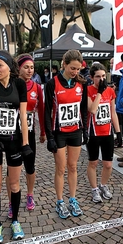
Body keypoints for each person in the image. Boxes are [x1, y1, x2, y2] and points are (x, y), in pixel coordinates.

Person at [0, 50, 32, 243]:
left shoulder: (19, 84)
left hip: (14, 141)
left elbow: (23, 116)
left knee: (15, 184)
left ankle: (15, 221)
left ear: (9, 66)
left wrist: (25, 143)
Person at [44, 49, 88, 219]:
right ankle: (60, 201)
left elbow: (83, 108)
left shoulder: (81, 84)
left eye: (78, 69)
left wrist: (84, 130)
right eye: (73, 68)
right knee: (61, 168)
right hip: (59, 132)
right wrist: (50, 137)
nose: (75, 72)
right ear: (64, 64)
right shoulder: (52, 84)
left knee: (73, 166)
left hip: (75, 130)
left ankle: (73, 199)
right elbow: (47, 111)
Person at [5, 54, 45, 216]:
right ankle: (10, 202)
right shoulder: (10, 85)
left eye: (32, 68)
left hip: (28, 133)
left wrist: (42, 132)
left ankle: (30, 194)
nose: (29, 71)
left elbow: (41, 111)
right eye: (26, 67)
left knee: (30, 167)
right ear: (19, 68)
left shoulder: (36, 88)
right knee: (11, 170)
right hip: (12, 133)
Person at [86, 62, 121, 203]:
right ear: (91, 77)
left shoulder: (110, 91)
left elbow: (113, 112)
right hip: (93, 133)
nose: (101, 79)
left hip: (107, 133)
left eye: (103, 76)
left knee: (108, 164)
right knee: (93, 163)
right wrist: (99, 92)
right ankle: (94, 189)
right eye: (97, 77)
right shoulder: (88, 90)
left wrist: (118, 132)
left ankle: (103, 185)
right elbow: (92, 109)